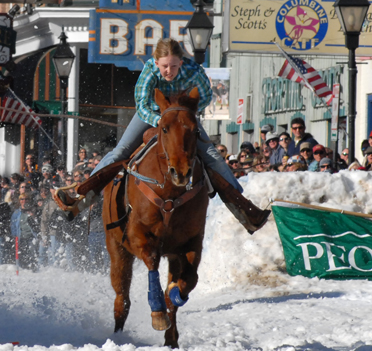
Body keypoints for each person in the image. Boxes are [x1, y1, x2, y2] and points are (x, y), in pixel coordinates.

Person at [76, 38, 269, 233]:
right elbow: (141, 105)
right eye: (165, 66)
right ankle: (82, 194)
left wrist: (184, 113)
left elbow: (206, 96)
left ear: (181, 63)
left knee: (211, 155)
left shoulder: (193, 71)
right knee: (121, 151)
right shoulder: (150, 70)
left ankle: (243, 207)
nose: (169, 70)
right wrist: (160, 119)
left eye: (174, 66)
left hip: (181, 117)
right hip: (153, 114)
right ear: (156, 62)